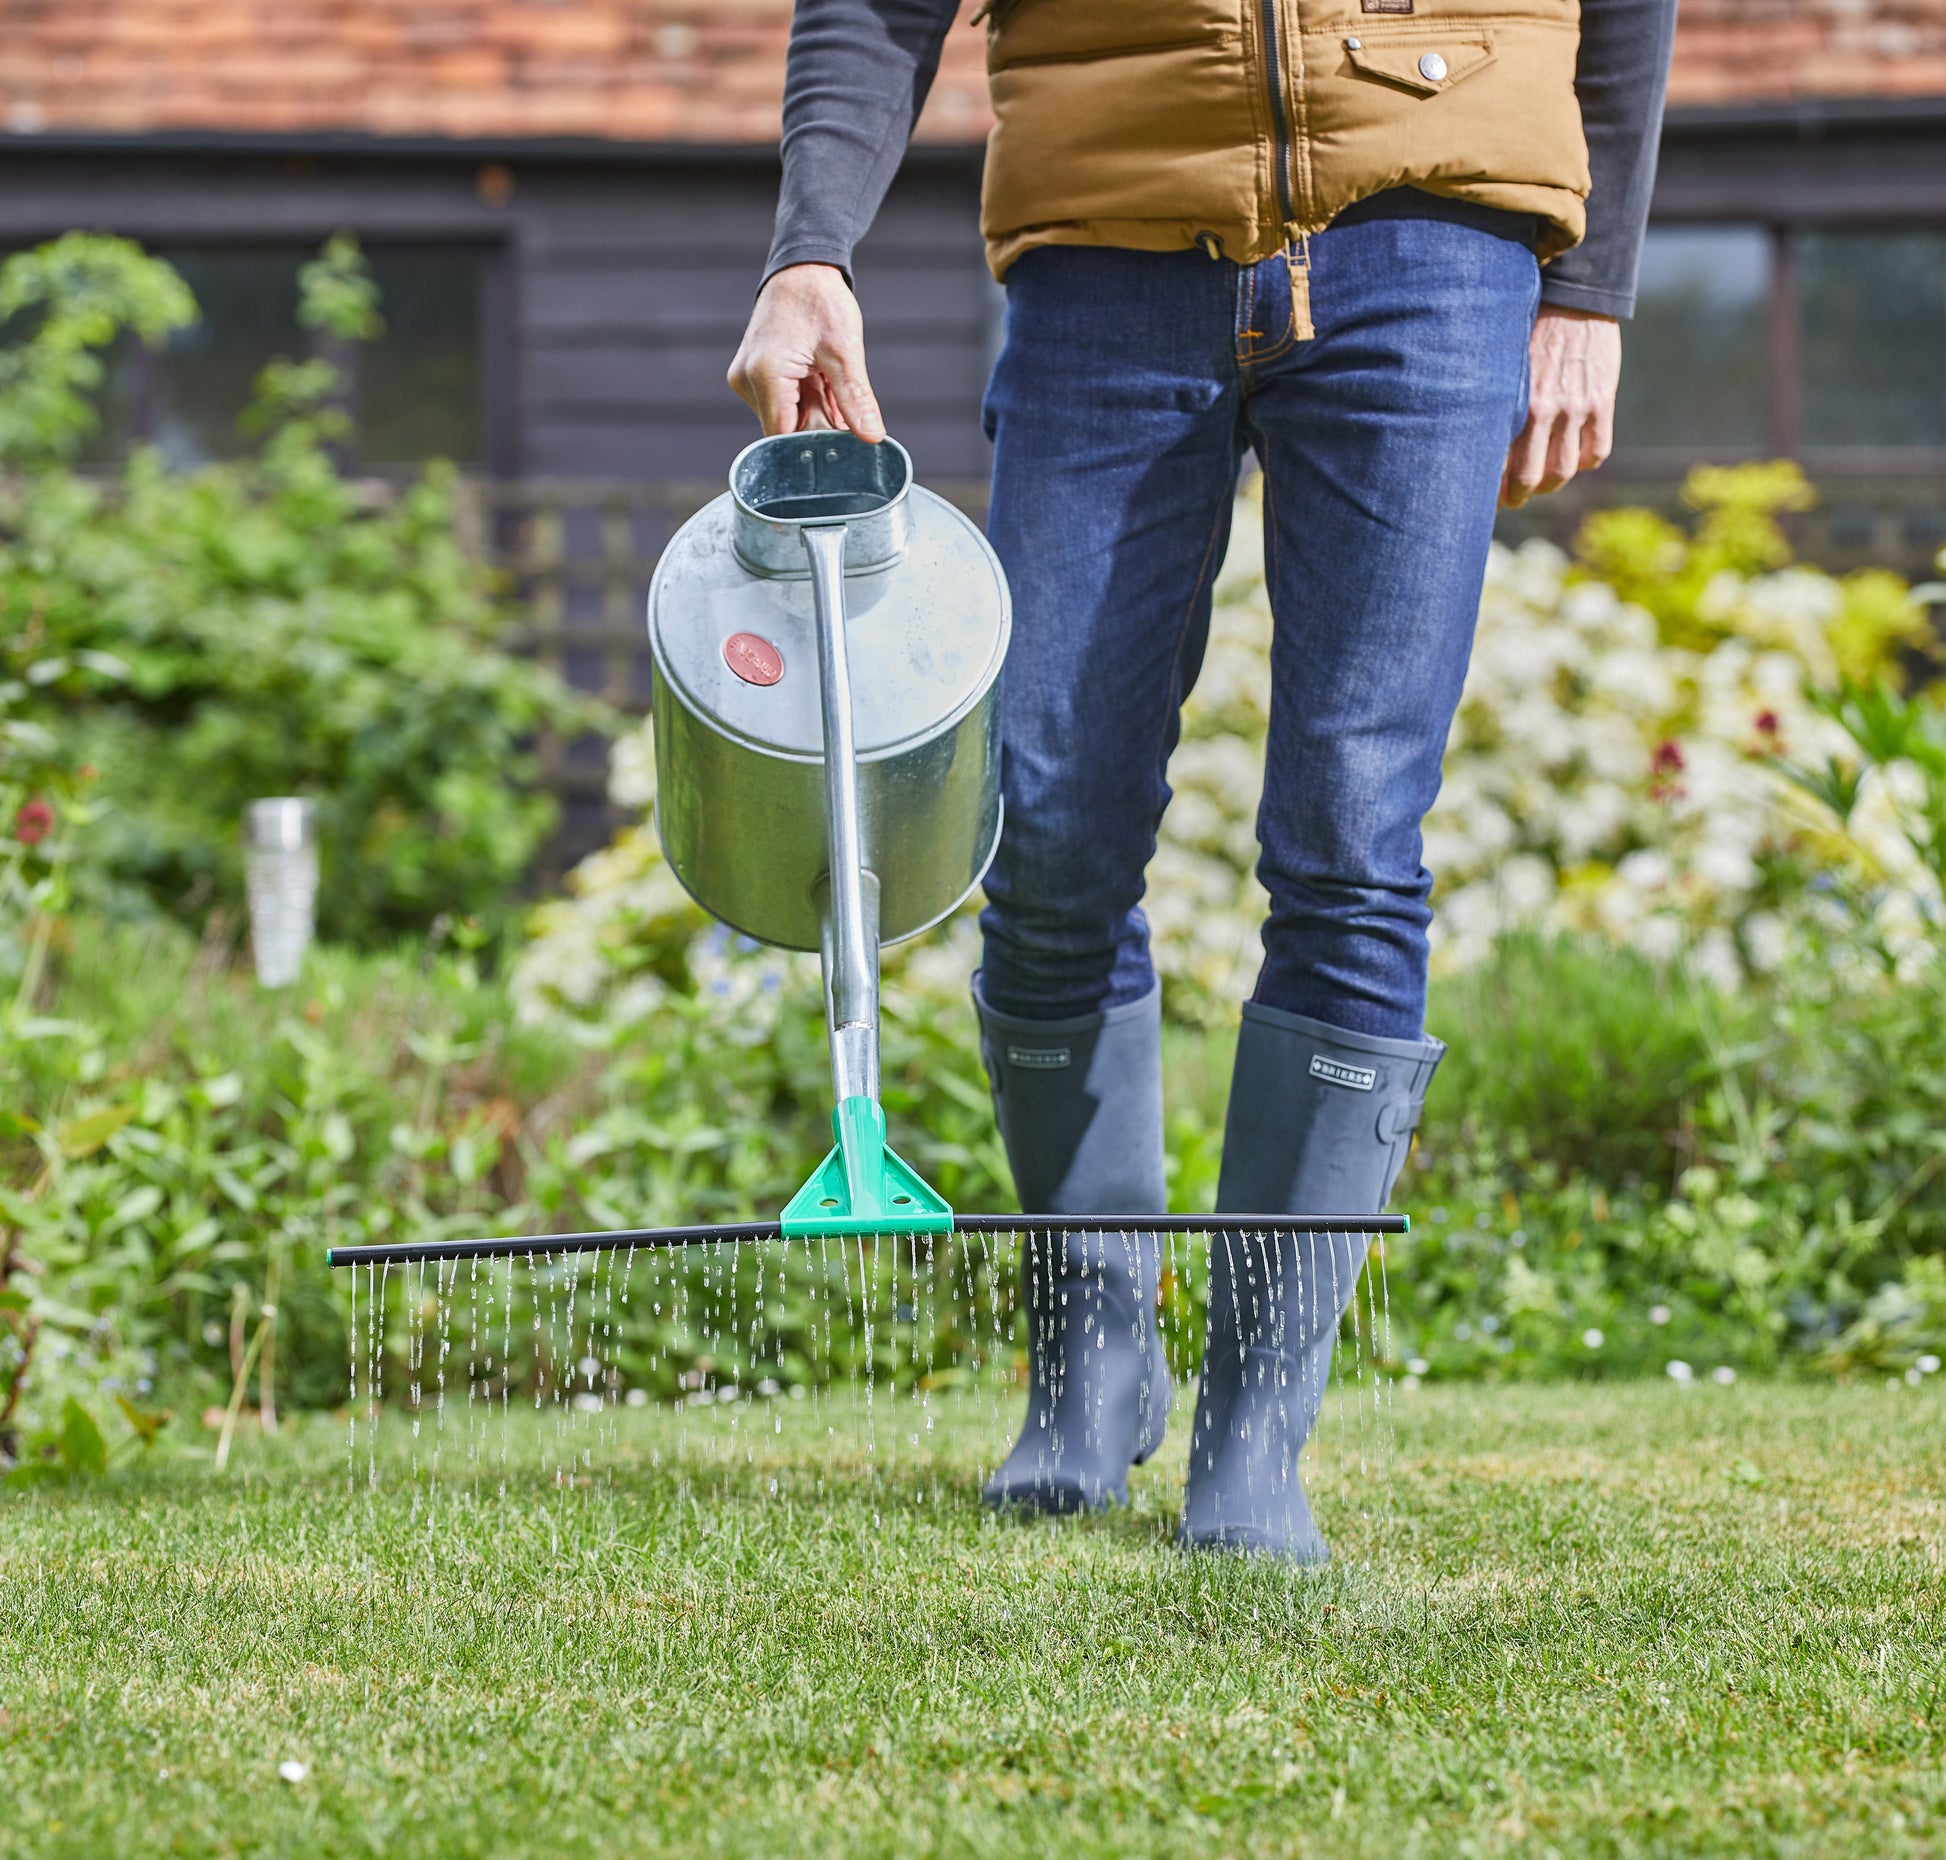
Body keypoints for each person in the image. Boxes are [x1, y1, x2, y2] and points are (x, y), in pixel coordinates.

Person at [730, 0, 1677, 1559]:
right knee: (1038, 820)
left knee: (1351, 827)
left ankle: (1255, 1434)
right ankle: (1094, 1371)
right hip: (1108, 248)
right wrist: (807, 247)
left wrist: (1592, 276)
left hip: (1431, 243)